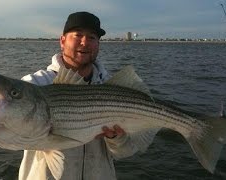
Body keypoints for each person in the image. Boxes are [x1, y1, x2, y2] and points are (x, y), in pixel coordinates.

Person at [19, 11, 138, 180]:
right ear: (62, 41)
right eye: (78, 35)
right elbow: (0, 128)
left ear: (98, 44)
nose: (85, 42)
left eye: (92, 37)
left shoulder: (112, 88)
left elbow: (126, 152)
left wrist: (115, 138)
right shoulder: (35, 85)